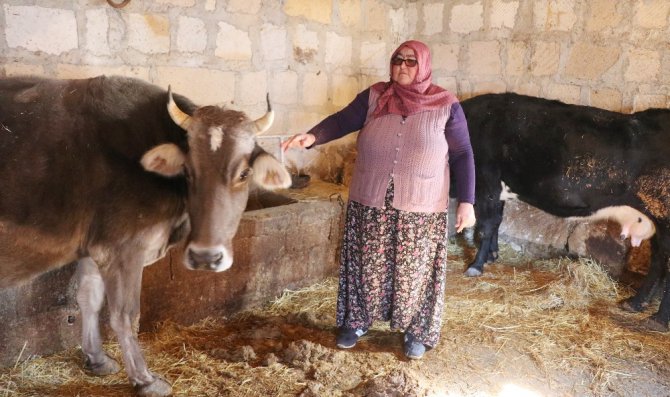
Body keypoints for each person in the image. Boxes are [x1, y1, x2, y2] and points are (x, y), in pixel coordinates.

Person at [281, 40, 476, 360]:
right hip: (371, 200)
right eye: (397, 59)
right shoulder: (375, 96)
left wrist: (467, 201)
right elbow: (342, 120)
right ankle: (356, 321)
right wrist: (313, 136)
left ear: (424, 65)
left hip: (421, 208)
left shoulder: (446, 104)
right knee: (365, 265)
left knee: (416, 272)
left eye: (411, 61)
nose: (402, 65)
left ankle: (417, 330)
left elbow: (462, 153)